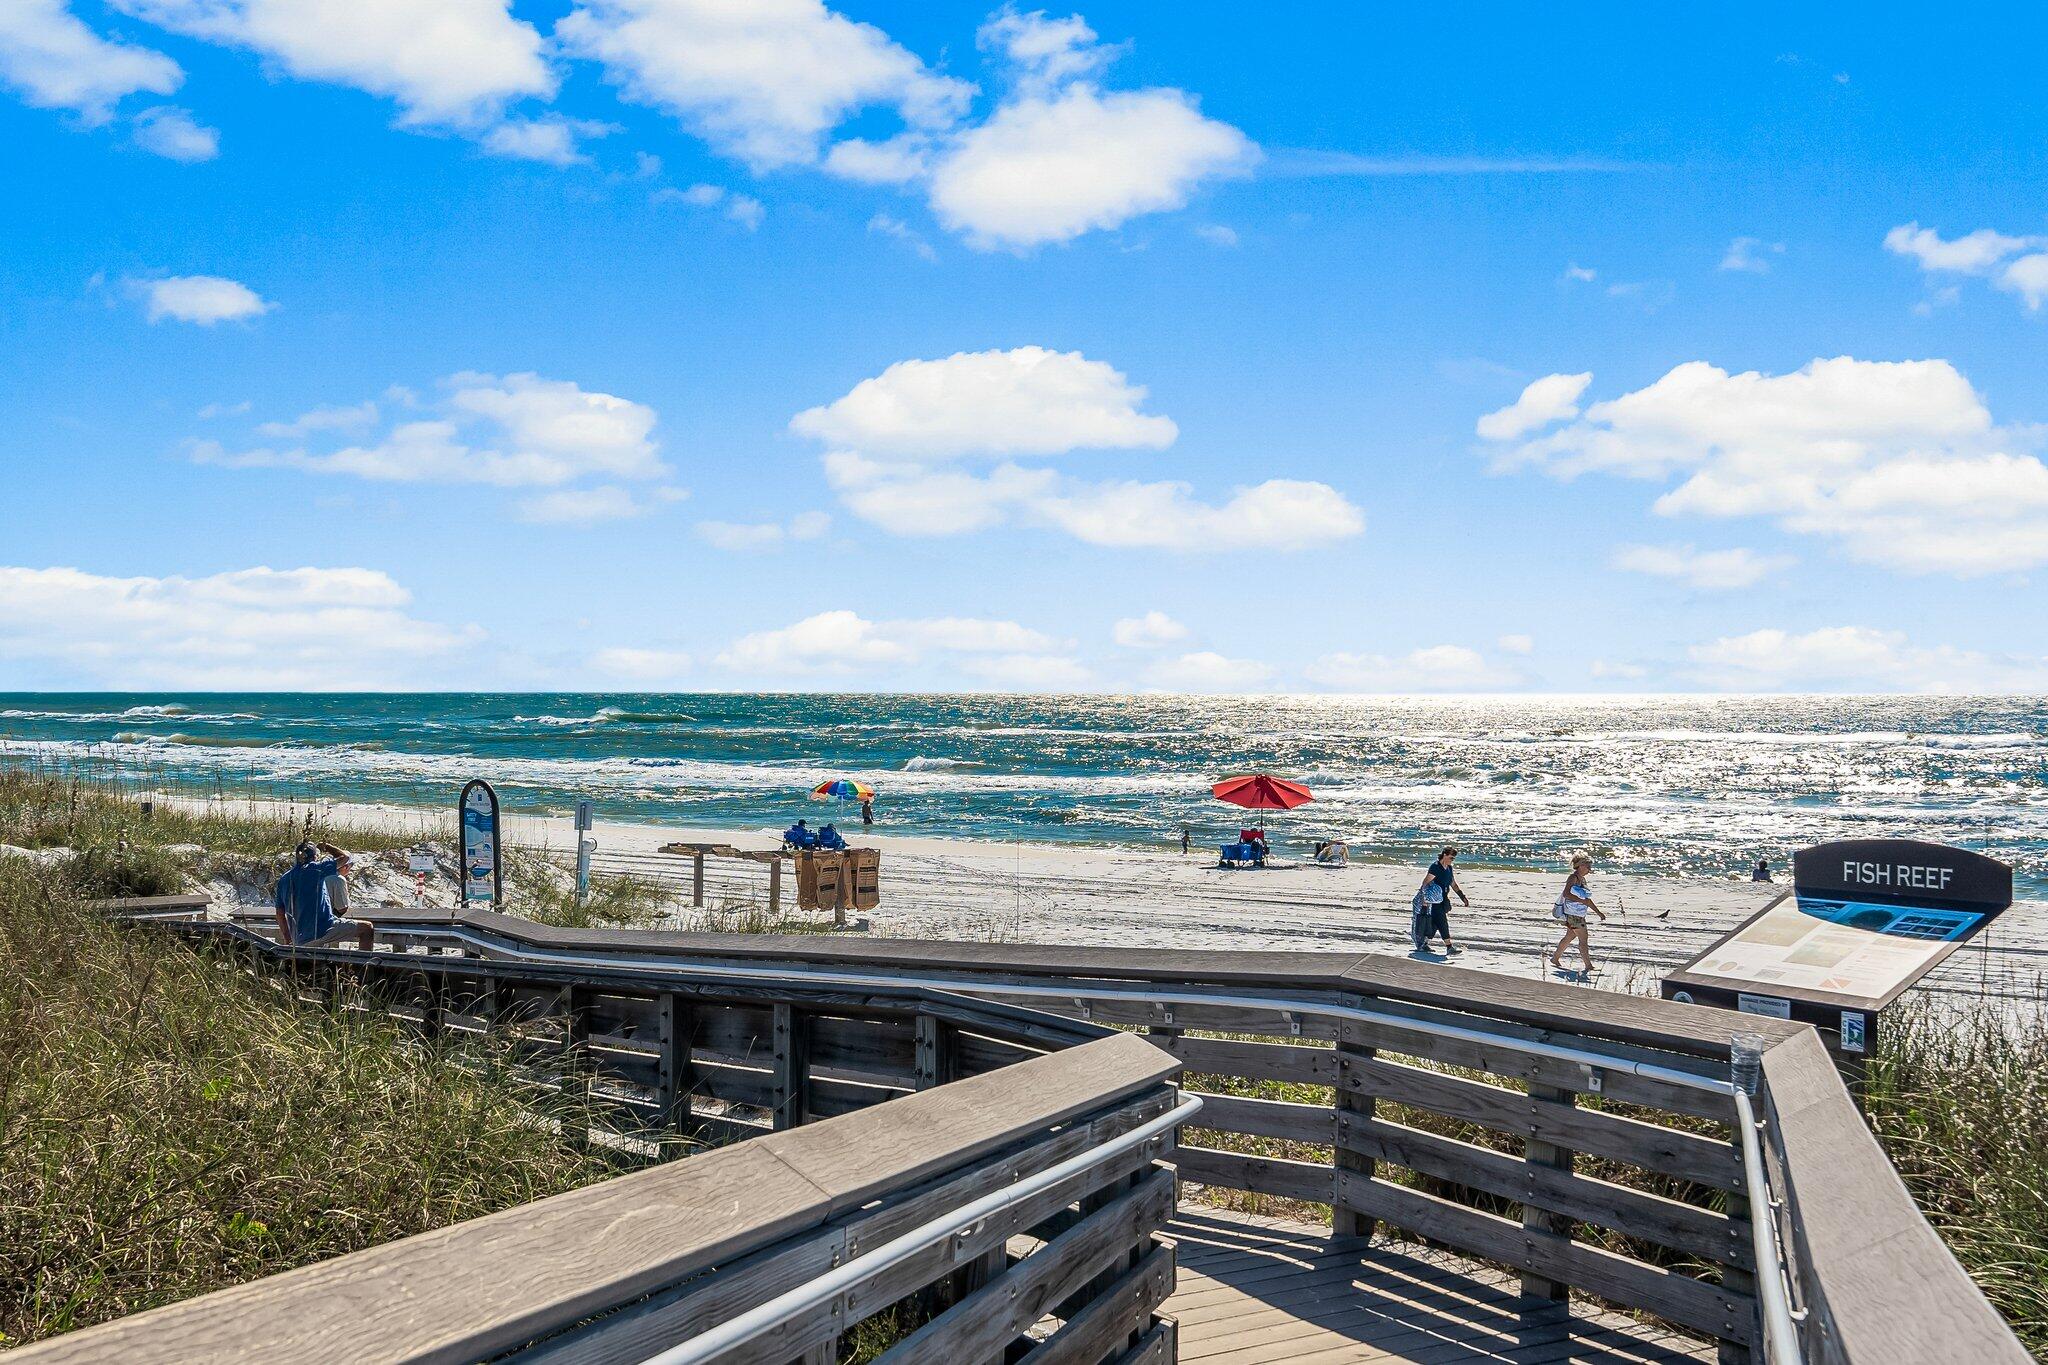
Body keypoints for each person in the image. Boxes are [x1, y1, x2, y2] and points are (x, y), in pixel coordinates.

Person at [273, 840, 372, 950]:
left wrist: (288, 939)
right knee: (367, 928)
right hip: (323, 929)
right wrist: (327, 847)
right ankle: (364, 966)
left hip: (299, 938)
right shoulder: (316, 869)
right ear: (315, 857)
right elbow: (344, 858)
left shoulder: (284, 879)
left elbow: (279, 913)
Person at [1549, 853, 1607, 978]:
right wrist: (1582, 901)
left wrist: (1598, 912)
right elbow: (1566, 894)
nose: (1590, 870)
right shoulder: (1573, 878)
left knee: (1569, 937)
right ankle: (1588, 965)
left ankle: (1555, 958)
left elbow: (1587, 899)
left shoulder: (1582, 879)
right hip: (1573, 915)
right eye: (1588, 867)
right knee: (1583, 939)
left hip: (1578, 914)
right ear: (1580, 866)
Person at [1412, 847, 1469, 955]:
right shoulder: (1435, 867)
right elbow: (1425, 883)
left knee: (1435, 924)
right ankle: (1449, 947)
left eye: (1453, 858)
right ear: (1444, 855)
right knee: (1442, 922)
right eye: (1451, 858)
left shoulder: (1449, 869)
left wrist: (1462, 897)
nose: (1452, 860)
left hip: (1443, 900)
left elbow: (1453, 884)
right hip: (1433, 902)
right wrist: (1424, 900)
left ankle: (1423, 944)